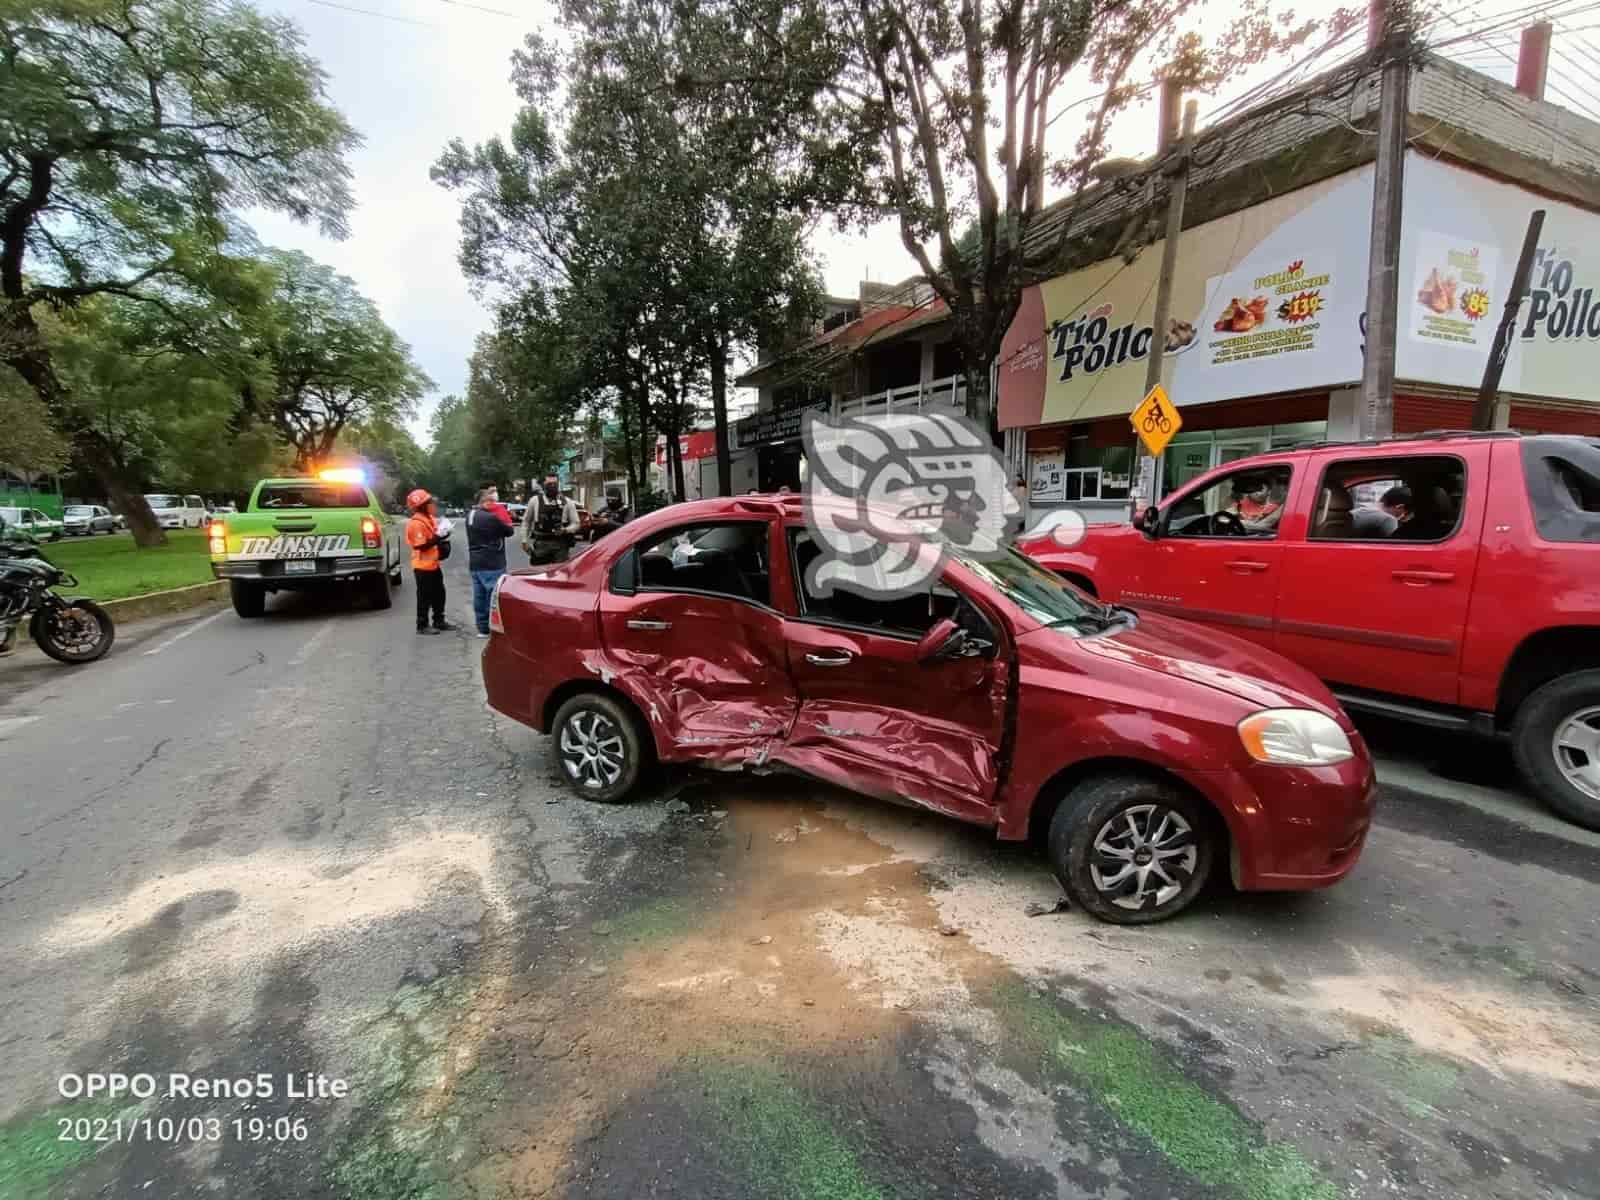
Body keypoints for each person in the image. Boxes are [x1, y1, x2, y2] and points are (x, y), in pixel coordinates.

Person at [405, 488, 457, 635]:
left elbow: (435, 536)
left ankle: (439, 621)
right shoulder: (416, 523)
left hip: (433, 564)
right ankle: (422, 625)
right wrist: (438, 538)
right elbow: (420, 545)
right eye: (429, 502)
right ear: (422, 505)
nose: (432, 504)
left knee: (439, 593)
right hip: (422, 566)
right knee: (424, 596)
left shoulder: (429, 519)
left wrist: (444, 534)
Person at [466, 484, 515, 638]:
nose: (492, 503)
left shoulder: (470, 515)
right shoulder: (489, 517)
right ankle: (493, 628)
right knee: (492, 596)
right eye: (490, 501)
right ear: (485, 501)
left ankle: (482, 628)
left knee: (479, 596)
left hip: (476, 562)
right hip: (492, 561)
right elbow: (509, 531)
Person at [521, 475, 581, 565]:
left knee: (560, 575)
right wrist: (524, 540)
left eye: (555, 484)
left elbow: (576, 524)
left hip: (561, 546)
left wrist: (565, 530)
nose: (552, 486)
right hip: (541, 545)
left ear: (558, 484)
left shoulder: (567, 502)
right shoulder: (535, 501)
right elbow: (526, 521)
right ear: (544, 485)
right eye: (549, 483)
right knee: (540, 575)